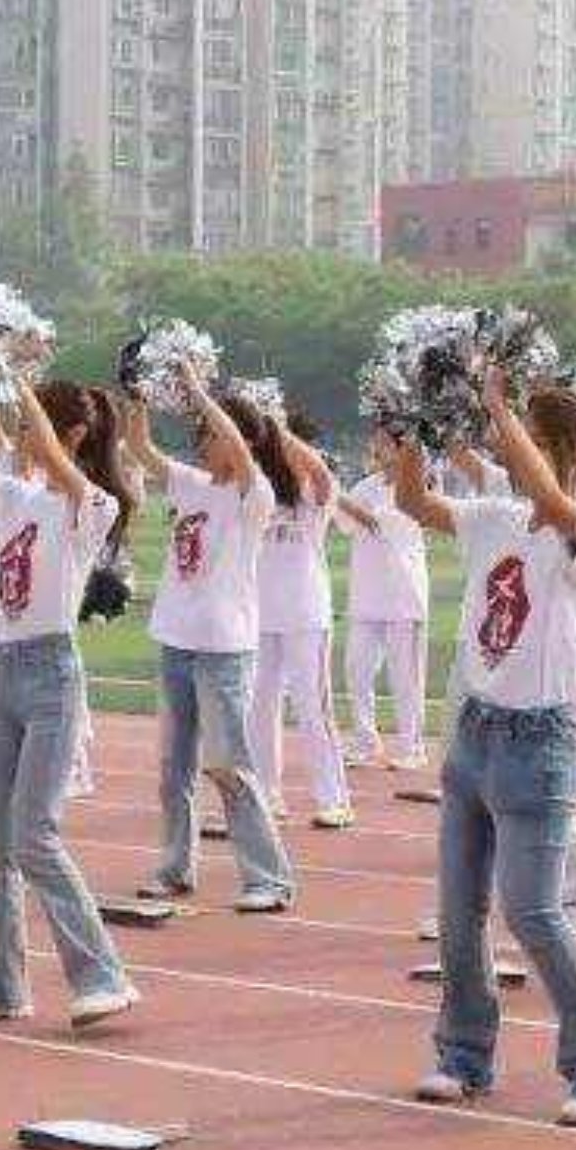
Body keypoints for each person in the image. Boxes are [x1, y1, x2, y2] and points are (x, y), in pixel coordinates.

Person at [389, 373, 576, 1126]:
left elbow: (551, 501)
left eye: (523, 434)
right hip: (475, 730)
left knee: (532, 911)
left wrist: (497, 406)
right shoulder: (494, 515)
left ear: (566, 449)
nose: (503, 444)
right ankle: (464, 1054)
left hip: (539, 741)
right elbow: (413, 503)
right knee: (458, 913)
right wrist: (414, 428)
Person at [0, 382, 141, 1028]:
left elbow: (44, 443)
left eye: (29, 425)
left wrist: (14, 377)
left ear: (71, 435)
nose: (20, 436)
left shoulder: (90, 504)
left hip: (50, 676)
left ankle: (102, 974)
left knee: (33, 835)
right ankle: (0, 984)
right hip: (0, 675)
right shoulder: (16, 496)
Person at [121, 377, 299, 915]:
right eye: (199, 433)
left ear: (240, 438)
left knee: (228, 765)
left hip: (223, 649)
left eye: (210, 433)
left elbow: (241, 450)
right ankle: (175, 869)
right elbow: (140, 447)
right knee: (173, 768)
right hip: (176, 640)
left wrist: (200, 393)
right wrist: (137, 395)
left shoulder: (254, 494)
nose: (202, 442)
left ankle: (269, 878)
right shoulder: (193, 484)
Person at [250, 406, 358, 831]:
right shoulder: (260, 499)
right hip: (260, 617)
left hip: (305, 615)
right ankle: (266, 794)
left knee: (313, 707)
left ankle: (335, 800)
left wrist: (275, 427)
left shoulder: (315, 500)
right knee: (260, 708)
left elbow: (321, 471)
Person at [334, 423, 432, 772]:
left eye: (384, 443)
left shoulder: (418, 487)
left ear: (402, 447)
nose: (376, 448)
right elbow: (344, 523)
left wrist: (330, 486)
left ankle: (412, 747)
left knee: (405, 678)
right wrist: (332, 493)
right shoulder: (367, 485)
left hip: (404, 597)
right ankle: (365, 741)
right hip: (367, 596)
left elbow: (378, 522)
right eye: (375, 441)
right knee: (356, 670)